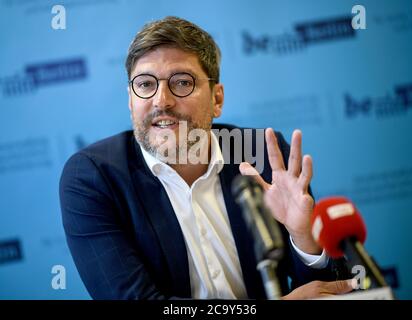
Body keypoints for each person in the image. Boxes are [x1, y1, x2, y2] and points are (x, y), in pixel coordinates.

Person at [59, 16, 352, 300]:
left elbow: (325, 292)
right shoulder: (93, 177)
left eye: (183, 82)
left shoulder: (263, 154)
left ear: (217, 99)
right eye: (146, 84)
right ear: (130, 99)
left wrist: (303, 238)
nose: (162, 100)